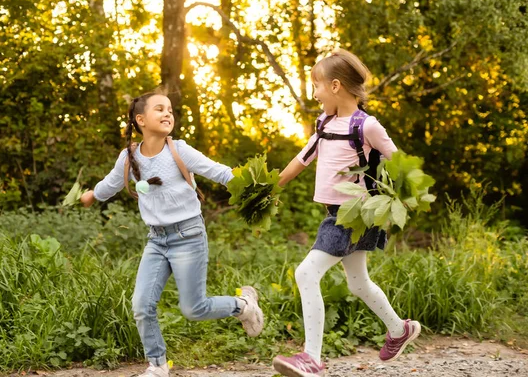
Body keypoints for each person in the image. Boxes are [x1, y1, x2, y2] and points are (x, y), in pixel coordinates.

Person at [80, 88, 264, 377]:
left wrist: (253, 183)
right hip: (156, 240)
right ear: (140, 119)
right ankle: (158, 365)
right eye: (159, 109)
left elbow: (219, 171)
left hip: (188, 236)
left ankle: (242, 305)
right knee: (141, 305)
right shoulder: (128, 157)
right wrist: (93, 195)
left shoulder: (179, 150)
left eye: (170, 109)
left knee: (193, 309)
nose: (168, 113)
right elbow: (111, 183)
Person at [272, 50, 421, 376]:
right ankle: (400, 330)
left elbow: (398, 162)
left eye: (317, 86)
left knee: (305, 274)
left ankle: (311, 357)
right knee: (358, 284)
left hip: (354, 215)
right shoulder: (325, 123)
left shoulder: (367, 126)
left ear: (336, 86)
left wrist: (403, 197)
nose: (314, 93)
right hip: (338, 212)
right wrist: (272, 187)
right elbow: (303, 157)